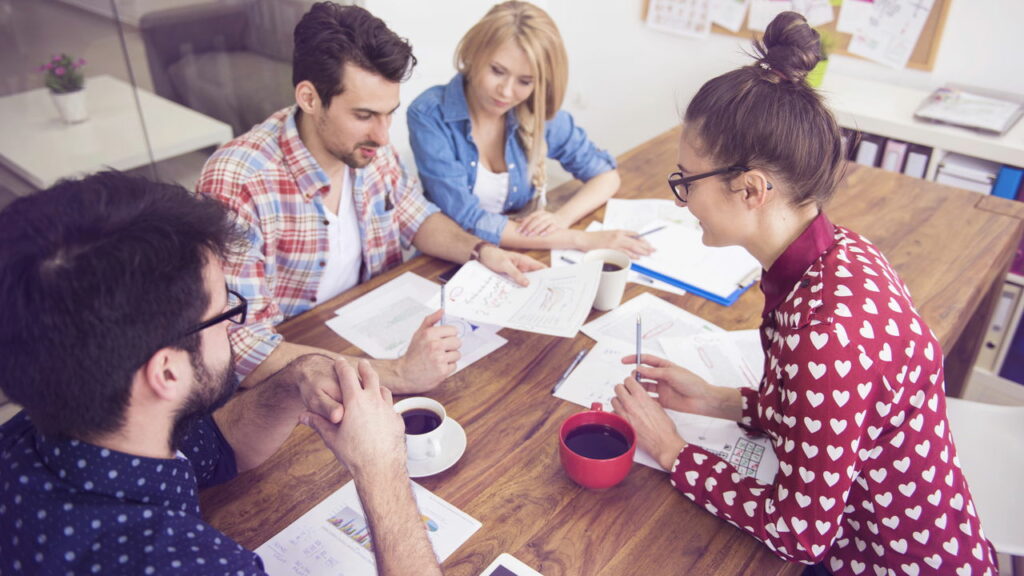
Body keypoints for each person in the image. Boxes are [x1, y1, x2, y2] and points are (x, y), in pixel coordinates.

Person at [611, 12, 998, 576]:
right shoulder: (845, 252)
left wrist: (673, 450)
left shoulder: (825, 342)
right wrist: (720, 400)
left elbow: (800, 536)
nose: (680, 200)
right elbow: (837, 420)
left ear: (750, 190)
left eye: (686, 181)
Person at [0, 171, 441, 576]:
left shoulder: (56, 429)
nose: (234, 323)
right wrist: (381, 470)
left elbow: (214, 448)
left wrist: (294, 378)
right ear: (167, 372)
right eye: (221, 311)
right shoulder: (191, 563)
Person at [197, 2, 543, 391]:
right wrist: (396, 374)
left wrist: (481, 250)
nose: (382, 136)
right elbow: (241, 348)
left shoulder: (368, 149)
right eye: (364, 115)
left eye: (389, 114)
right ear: (309, 99)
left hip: (368, 332)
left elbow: (418, 216)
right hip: (293, 375)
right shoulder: (239, 181)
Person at [407, 1, 652, 258]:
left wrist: (561, 218)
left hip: (521, 252)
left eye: (525, 81)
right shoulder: (429, 114)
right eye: (497, 71)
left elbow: (605, 176)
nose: (506, 91)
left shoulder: (535, 111)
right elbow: (468, 217)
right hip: (452, 255)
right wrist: (579, 239)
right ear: (473, 54)